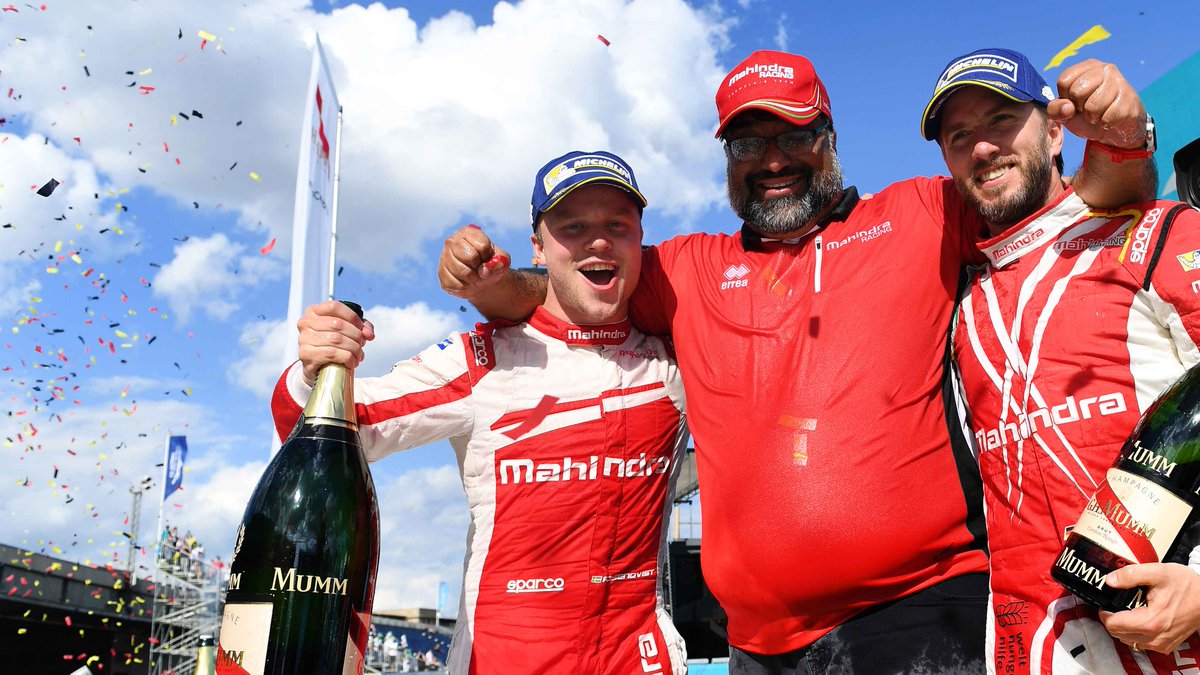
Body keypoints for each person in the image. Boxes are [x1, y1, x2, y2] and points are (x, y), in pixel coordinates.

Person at [438, 50, 1155, 673]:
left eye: (794, 133)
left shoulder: (923, 214)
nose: (773, 159)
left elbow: (1085, 210)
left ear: (831, 137)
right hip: (758, 647)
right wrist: (492, 284)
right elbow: (578, 289)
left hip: (917, 618)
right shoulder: (687, 268)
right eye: (749, 142)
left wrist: (1125, 136)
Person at [270, 151, 689, 674]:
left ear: (640, 241)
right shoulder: (481, 360)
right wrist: (315, 367)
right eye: (574, 226)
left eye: (617, 225)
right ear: (538, 247)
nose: (598, 240)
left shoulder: (674, 361)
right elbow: (327, 431)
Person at [923, 47, 1200, 672]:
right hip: (1036, 645)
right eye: (959, 135)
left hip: (1176, 633)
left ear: (1054, 130)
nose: (983, 148)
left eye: (1000, 121)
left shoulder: (1160, 234)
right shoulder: (961, 302)